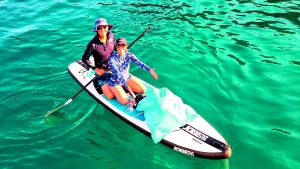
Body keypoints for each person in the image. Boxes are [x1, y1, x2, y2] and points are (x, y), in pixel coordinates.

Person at [105, 38, 158, 105]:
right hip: (115, 81)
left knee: (143, 90)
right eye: (118, 45)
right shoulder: (112, 60)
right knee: (124, 101)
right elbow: (119, 75)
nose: (121, 47)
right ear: (116, 46)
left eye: (123, 45)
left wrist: (150, 70)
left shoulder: (129, 55)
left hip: (126, 77)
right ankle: (113, 88)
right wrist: (132, 93)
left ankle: (123, 89)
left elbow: (140, 63)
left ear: (126, 46)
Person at [81, 18, 115, 98]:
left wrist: (122, 49)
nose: (103, 29)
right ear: (96, 29)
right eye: (100, 27)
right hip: (102, 71)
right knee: (110, 96)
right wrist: (96, 69)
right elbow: (84, 58)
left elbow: (115, 46)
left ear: (107, 27)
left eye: (104, 27)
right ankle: (97, 82)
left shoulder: (111, 35)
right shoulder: (92, 44)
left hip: (113, 67)